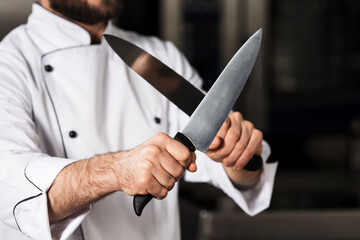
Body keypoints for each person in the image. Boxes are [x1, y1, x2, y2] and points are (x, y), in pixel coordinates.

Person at [0, 0, 278, 239]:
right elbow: (13, 192)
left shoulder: (160, 57)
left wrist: (239, 154)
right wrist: (118, 170)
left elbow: (235, 171)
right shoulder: (9, 63)